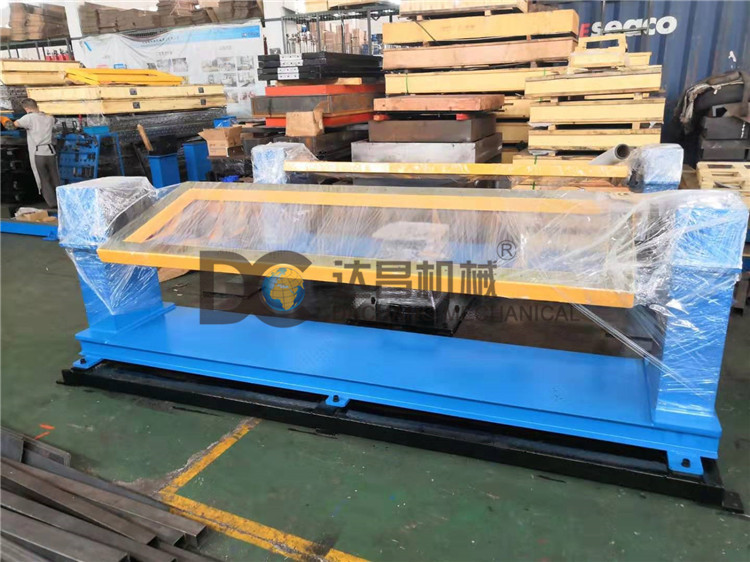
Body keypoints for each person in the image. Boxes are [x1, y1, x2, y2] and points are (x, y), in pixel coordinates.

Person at [14, 98, 60, 208]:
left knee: (43, 179)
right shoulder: (49, 118)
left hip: (38, 153)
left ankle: (53, 204)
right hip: (50, 152)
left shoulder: (28, 118)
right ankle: (62, 200)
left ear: (26, 108)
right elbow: (56, 120)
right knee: (55, 177)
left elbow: (13, 125)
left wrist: (4, 120)